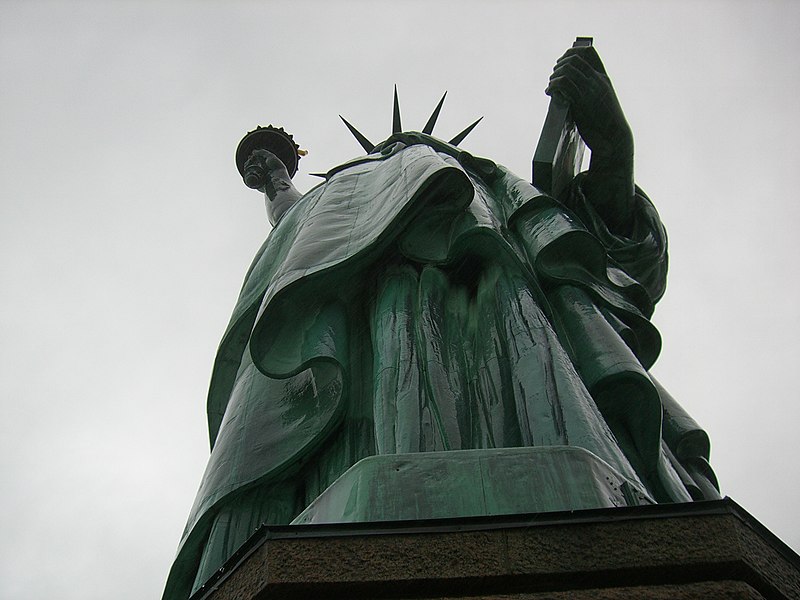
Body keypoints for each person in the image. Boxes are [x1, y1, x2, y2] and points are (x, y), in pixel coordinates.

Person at [162, 46, 719, 600]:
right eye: (394, 153)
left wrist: (613, 149)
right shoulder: (339, 205)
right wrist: (277, 183)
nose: (403, 154)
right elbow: (295, 239)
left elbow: (605, 256)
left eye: (415, 151)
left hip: (515, 329)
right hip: (362, 395)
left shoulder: (486, 186)